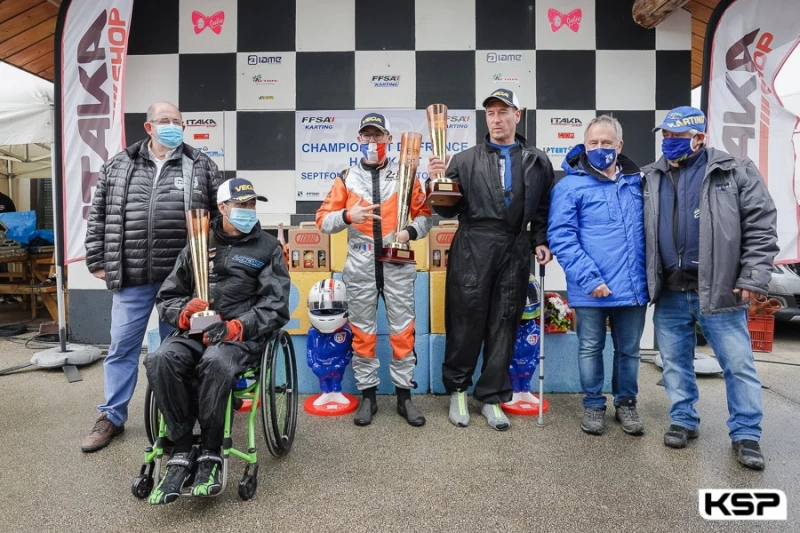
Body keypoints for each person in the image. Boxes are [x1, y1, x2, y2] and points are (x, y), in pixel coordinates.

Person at [81, 101, 223, 453]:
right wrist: (97, 258)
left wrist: (216, 263)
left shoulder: (202, 164)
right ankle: (111, 416)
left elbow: (218, 217)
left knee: (180, 349)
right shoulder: (119, 164)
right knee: (122, 347)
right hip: (133, 275)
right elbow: (99, 214)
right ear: (149, 127)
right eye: (165, 120)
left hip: (183, 280)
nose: (172, 125)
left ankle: (179, 417)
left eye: (177, 120)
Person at [642, 106, 778, 470]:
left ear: (699, 138)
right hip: (670, 291)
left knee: (738, 364)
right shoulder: (651, 176)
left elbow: (761, 226)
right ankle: (683, 419)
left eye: (678, 136)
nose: (669, 142)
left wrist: (752, 277)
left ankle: (746, 434)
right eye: (666, 135)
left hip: (720, 290)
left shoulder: (735, 171)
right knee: (674, 362)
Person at [143, 178, 290, 504]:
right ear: (222, 208)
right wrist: (183, 313)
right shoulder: (198, 242)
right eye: (241, 204)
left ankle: (210, 450)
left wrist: (238, 326)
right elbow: (168, 296)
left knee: (215, 362)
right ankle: (182, 449)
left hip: (240, 337)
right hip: (196, 332)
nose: (248, 209)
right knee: (159, 359)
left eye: (252, 204)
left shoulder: (268, 248)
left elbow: (276, 306)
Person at [428, 89, 554, 431]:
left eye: (503, 112)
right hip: (473, 246)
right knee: (465, 321)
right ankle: (458, 390)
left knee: (505, 322)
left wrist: (540, 240)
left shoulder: (537, 160)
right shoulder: (463, 160)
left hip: (515, 247)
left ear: (517, 115)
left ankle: (492, 396)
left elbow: (543, 207)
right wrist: (435, 181)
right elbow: (445, 210)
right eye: (490, 113)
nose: (496, 119)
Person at [316, 113, 432, 427]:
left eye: (378, 135)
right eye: (366, 135)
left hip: (397, 265)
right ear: (358, 139)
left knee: (402, 332)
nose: (372, 141)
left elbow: (425, 216)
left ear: (388, 139)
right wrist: (347, 216)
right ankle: (368, 397)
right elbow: (322, 221)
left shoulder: (406, 173)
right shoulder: (346, 178)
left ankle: (404, 397)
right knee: (363, 333)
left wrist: (409, 232)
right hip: (360, 267)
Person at [548, 115, 649, 437]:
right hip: (589, 288)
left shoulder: (638, 183)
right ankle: (593, 404)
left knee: (629, 351)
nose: (600, 148)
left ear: (619, 146)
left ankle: (626, 403)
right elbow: (561, 236)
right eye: (593, 143)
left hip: (632, 287)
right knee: (590, 348)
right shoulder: (569, 186)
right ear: (584, 145)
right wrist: (590, 279)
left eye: (607, 142)